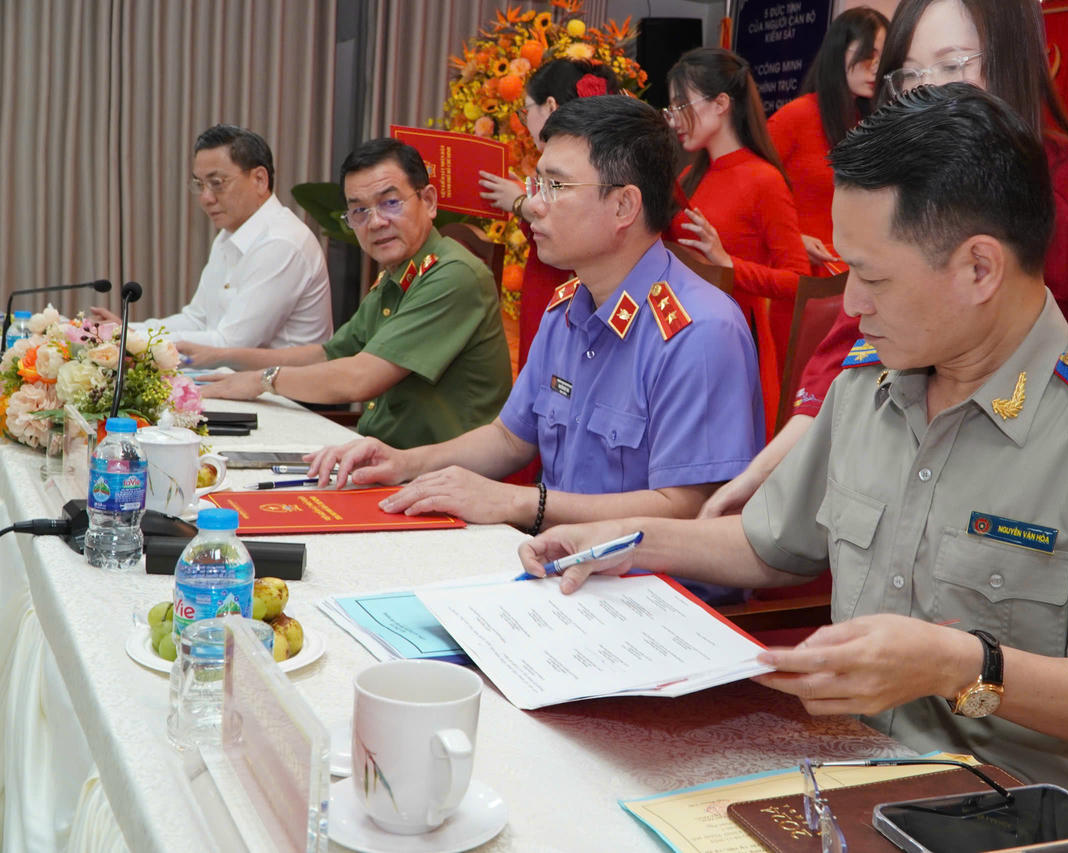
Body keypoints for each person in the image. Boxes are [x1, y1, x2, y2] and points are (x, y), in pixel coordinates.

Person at [520, 85, 1068, 819]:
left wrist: (959, 666)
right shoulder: (867, 385)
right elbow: (769, 544)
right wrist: (626, 540)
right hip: (842, 775)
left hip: (1013, 813)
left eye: (873, 277)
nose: (850, 305)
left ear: (980, 269)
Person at [701, 0, 1068, 518]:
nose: (928, 93)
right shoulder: (895, 197)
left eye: (952, 65)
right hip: (902, 455)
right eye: (910, 75)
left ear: (1013, 61)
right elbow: (849, 351)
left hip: (1035, 480)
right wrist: (769, 470)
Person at [307, 97, 765, 601]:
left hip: (654, 595)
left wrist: (522, 503)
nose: (534, 205)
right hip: (558, 574)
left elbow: (688, 507)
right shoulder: (566, 306)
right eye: (535, 184)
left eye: (555, 187)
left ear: (623, 206)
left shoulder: (699, 332)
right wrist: (405, 463)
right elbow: (510, 438)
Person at [185, 138, 511, 450]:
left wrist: (262, 381)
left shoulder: (453, 274)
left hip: (439, 472)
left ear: (428, 201)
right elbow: (328, 354)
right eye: (360, 211)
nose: (376, 222)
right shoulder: (395, 275)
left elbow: (359, 379)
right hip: (376, 451)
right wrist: (221, 357)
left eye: (390, 203)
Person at [662, 47, 810, 424]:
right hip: (681, 335)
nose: (675, 119)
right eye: (671, 108)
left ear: (721, 104)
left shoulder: (764, 180)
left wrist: (727, 264)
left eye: (682, 105)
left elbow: (797, 281)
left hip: (735, 342)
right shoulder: (688, 178)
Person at [91, 124, 332, 349]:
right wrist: (126, 330)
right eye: (200, 184)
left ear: (260, 179)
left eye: (217, 183)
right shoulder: (228, 235)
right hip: (234, 375)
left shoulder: (280, 243)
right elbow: (197, 319)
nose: (206, 198)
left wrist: (133, 339)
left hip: (280, 381)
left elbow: (232, 344)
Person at [478, 59, 620, 371]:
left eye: (526, 110)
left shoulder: (589, 165)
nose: (524, 121)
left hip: (564, 287)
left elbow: (575, 226)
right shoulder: (597, 157)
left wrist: (520, 203)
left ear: (551, 106)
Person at [768, 7, 889, 273]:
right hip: (801, 274)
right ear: (838, 53)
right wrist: (793, 239)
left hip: (853, 271)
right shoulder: (795, 117)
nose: (876, 68)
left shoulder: (871, 123)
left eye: (883, 58)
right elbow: (754, 198)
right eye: (869, 55)